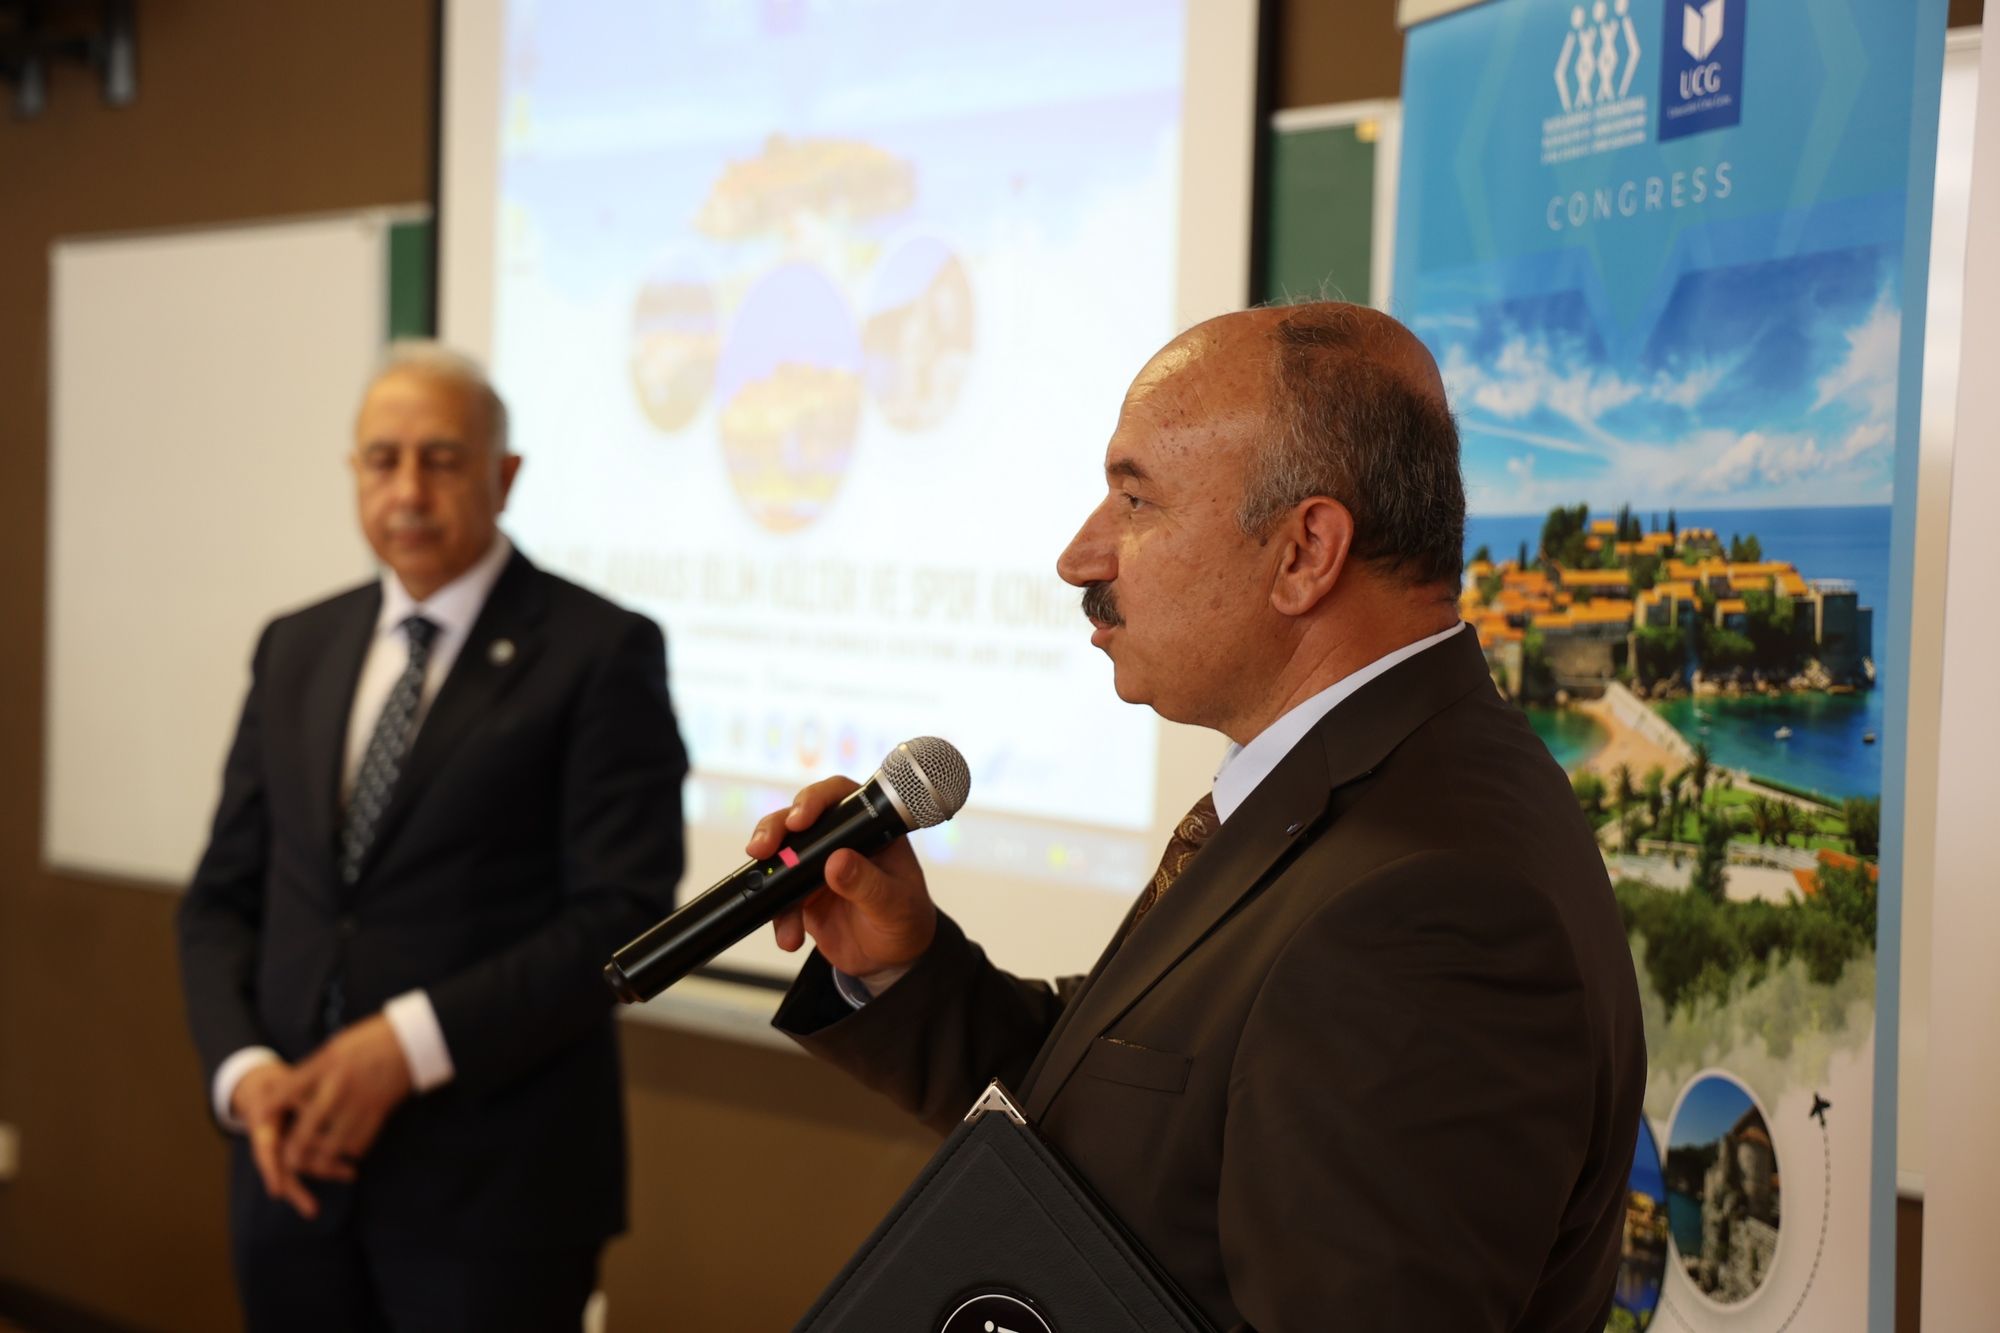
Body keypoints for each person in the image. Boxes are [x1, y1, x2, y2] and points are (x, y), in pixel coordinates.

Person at [752, 303, 1645, 1330]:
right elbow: (1121, 1123)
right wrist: (904, 965)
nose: (1080, 557)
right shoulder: (1360, 787)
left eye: (1134, 500)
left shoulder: (1427, 909)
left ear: (1305, 552)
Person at [177, 343, 688, 1332]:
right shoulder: (296, 644)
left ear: (504, 476)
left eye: (442, 459)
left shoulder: (599, 650)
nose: (407, 489)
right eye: (383, 459)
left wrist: (407, 1046)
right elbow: (221, 899)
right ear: (354, 472)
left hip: (492, 1198)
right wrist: (244, 1074)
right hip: (289, 1171)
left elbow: (620, 917)